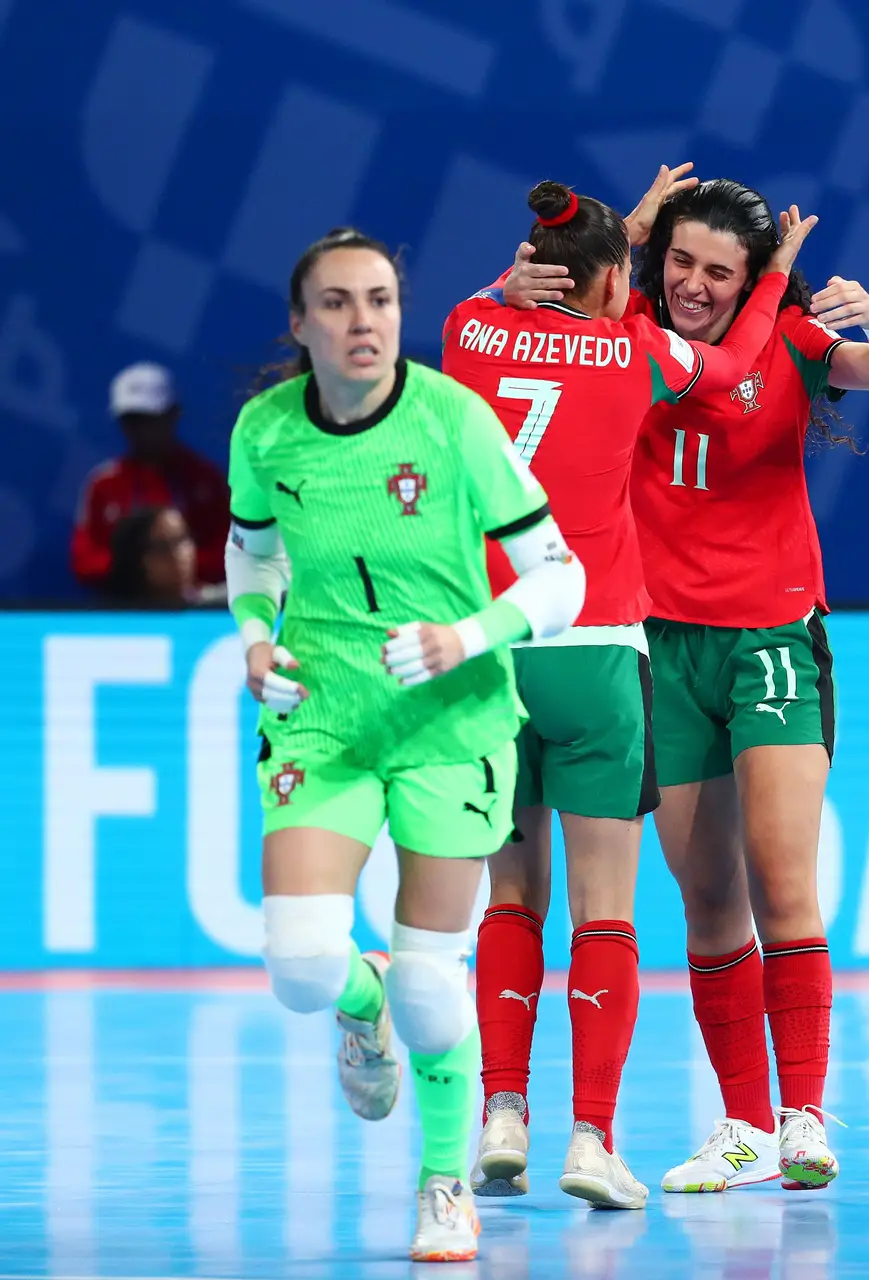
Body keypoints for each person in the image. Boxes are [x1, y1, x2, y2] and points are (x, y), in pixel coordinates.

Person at [502, 175, 869, 1192]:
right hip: (656, 644)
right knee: (708, 901)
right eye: (679, 261)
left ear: (752, 276)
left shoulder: (791, 338)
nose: (694, 283)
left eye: (719, 270)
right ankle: (741, 1126)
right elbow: (525, 312)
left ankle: (805, 1113)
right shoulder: (621, 327)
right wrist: (620, 232)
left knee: (784, 879)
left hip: (772, 635)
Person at [445, 173, 815, 1207]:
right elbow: (741, 358)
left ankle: (502, 1111)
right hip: (597, 649)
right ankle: (593, 1137)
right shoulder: (635, 354)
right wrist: (776, 267)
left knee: (509, 894)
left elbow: (516, 298)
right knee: (606, 905)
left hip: (488, 651)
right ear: (621, 279)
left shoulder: (471, 325)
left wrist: (595, 245)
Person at [227, 227, 585, 1261]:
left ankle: (442, 1181)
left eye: (379, 300)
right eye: (336, 303)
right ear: (300, 324)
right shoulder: (266, 432)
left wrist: (464, 636)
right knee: (298, 964)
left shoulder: (456, 422)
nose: (363, 321)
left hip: (453, 715)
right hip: (323, 709)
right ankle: (358, 997)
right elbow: (248, 555)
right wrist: (255, 637)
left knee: (436, 983)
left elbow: (559, 577)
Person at [73, 361, 228, 591]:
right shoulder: (103, 484)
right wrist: (136, 570)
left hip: (195, 607)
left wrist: (173, 569)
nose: (141, 430)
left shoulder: (206, 479)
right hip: (122, 611)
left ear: (174, 414)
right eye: (132, 421)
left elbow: (232, 552)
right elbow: (83, 560)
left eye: (151, 419)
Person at [102, 505, 199, 605]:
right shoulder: (117, 616)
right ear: (139, 560)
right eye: (162, 546)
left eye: (182, 540)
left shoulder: (211, 607)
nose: (176, 554)